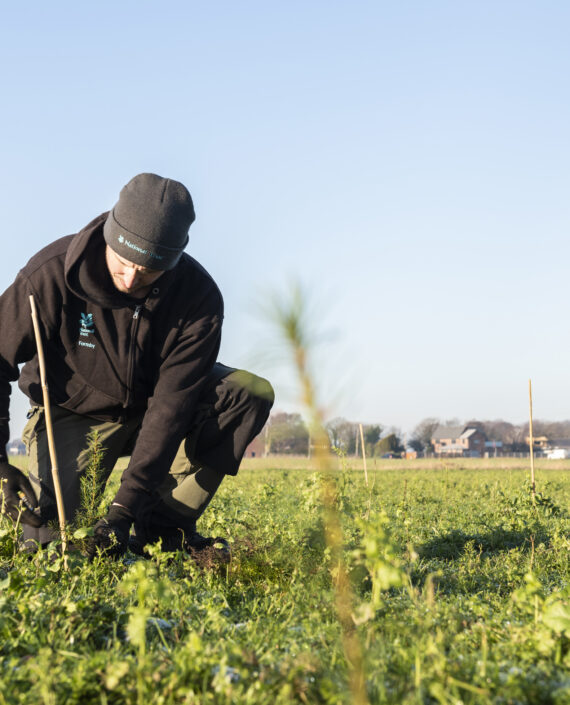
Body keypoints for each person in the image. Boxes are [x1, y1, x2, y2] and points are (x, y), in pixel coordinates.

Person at [0, 173, 274, 558]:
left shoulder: (199, 299)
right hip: (73, 411)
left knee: (245, 394)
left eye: (148, 271)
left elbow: (170, 409)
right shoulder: (49, 274)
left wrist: (122, 511)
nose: (131, 279)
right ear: (110, 236)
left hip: (154, 410)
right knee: (49, 544)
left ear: (174, 261)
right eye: (124, 263)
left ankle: (161, 528)